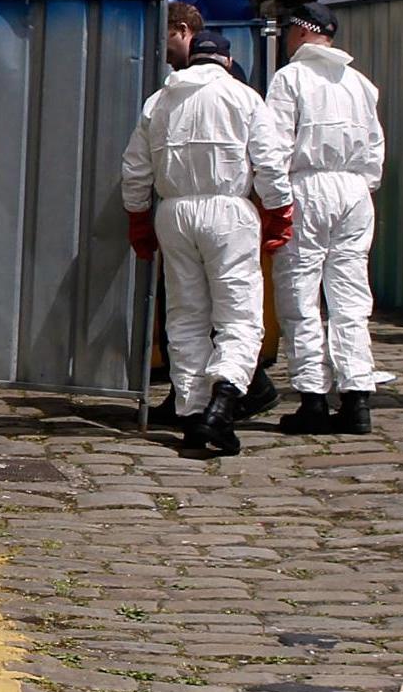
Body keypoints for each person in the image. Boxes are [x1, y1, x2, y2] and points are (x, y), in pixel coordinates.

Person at [121, 31, 293, 456]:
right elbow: (270, 163)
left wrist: (139, 218)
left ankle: (193, 412)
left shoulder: (158, 102)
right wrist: (279, 213)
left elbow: (135, 170)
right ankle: (225, 397)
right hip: (228, 212)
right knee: (239, 313)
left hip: (175, 213)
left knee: (186, 315)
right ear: (228, 62)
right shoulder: (244, 98)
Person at [266, 1, 385, 434]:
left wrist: (276, 200)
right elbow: (374, 152)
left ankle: (313, 398)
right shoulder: (360, 84)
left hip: (308, 187)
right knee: (350, 296)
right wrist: (358, 186)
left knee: (300, 293)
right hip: (354, 191)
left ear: (298, 32)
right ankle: (357, 398)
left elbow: (275, 144)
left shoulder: (290, 78)